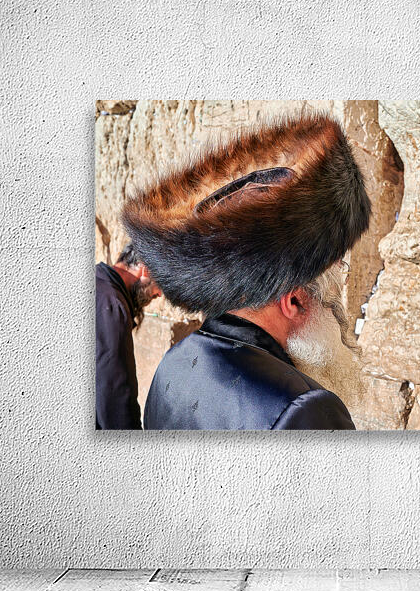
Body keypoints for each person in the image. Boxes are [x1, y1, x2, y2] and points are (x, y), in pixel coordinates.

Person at [121, 111, 372, 429]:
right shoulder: (305, 408)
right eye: (336, 274)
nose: (335, 305)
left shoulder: (171, 364)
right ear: (293, 299)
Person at [95, 242, 161, 429]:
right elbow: (115, 394)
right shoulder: (112, 305)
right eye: (161, 284)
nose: (159, 294)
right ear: (145, 269)